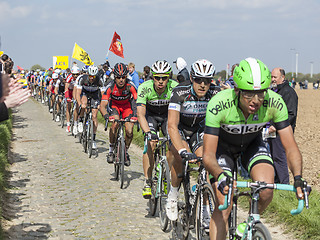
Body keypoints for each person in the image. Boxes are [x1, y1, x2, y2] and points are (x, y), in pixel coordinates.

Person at [202, 57, 307, 240]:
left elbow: (290, 146)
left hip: (252, 143)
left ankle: (248, 223)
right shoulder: (219, 104)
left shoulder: (275, 102)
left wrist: (298, 178)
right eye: (249, 94)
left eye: (261, 93)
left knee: (266, 189)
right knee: (224, 203)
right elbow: (208, 155)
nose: (256, 100)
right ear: (236, 90)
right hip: (222, 148)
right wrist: (220, 175)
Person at [166, 59, 220, 224]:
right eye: (198, 80)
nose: (203, 85)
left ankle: (204, 208)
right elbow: (172, 126)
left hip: (199, 130)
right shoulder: (180, 92)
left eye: (207, 81)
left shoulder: (215, 94)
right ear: (191, 78)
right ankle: (173, 194)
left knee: (207, 162)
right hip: (180, 128)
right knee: (180, 158)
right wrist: (182, 151)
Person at [137, 60, 179, 199]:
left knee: (173, 144)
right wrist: (148, 133)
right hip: (151, 117)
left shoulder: (175, 87)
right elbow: (140, 114)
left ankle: (166, 176)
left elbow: (181, 112)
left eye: (164, 77)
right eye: (157, 77)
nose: (160, 81)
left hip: (168, 116)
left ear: (169, 77)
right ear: (152, 77)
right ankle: (148, 181)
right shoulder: (144, 87)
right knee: (151, 143)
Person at [100, 63, 138, 167]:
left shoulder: (130, 85)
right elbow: (102, 105)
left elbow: (138, 102)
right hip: (115, 107)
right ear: (114, 77)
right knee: (115, 124)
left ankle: (125, 151)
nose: (121, 80)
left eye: (123, 77)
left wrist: (136, 115)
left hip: (127, 107)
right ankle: (111, 150)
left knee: (129, 131)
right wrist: (106, 116)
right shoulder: (110, 87)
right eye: (118, 77)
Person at [267, 68, 298, 184]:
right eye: (272, 77)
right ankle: (275, 183)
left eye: (275, 77)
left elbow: (291, 114)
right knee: (272, 157)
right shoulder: (274, 91)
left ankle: (284, 185)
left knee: (280, 158)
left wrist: (276, 126)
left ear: (283, 78)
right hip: (271, 132)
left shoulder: (288, 92)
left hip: (282, 133)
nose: (273, 79)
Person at [77, 65, 104, 149]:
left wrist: (101, 105)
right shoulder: (83, 79)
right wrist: (79, 103)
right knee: (84, 104)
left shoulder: (99, 80)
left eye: (94, 76)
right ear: (88, 74)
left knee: (94, 115)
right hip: (85, 93)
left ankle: (93, 139)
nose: (92, 78)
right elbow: (78, 94)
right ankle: (81, 120)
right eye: (90, 76)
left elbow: (103, 95)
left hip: (95, 95)